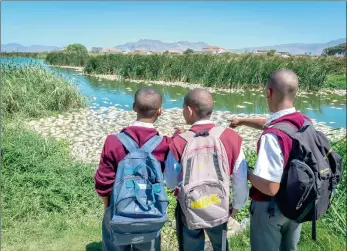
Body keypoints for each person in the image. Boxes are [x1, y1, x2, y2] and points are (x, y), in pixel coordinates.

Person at [230, 69, 308, 251]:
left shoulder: (271, 137)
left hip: (271, 208)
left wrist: (246, 172)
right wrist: (242, 121)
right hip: (297, 202)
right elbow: (271, 121)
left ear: (268, 92)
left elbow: (270, 187)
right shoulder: (303, 121)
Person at [165, 88, 249, 251]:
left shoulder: (179, 142)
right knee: (221, 246)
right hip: (218, 204)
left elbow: (170, 182)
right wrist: (237, 205)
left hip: (188, 207)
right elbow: (240, 177)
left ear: (189, 110)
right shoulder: (231, 137)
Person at [94, 87, 171, 251]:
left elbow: (103, 182)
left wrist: (108, 206)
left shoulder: (113, 141)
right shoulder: (165, 144)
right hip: (150, 208)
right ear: (160, 111)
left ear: (134, 106)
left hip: (117, 206)